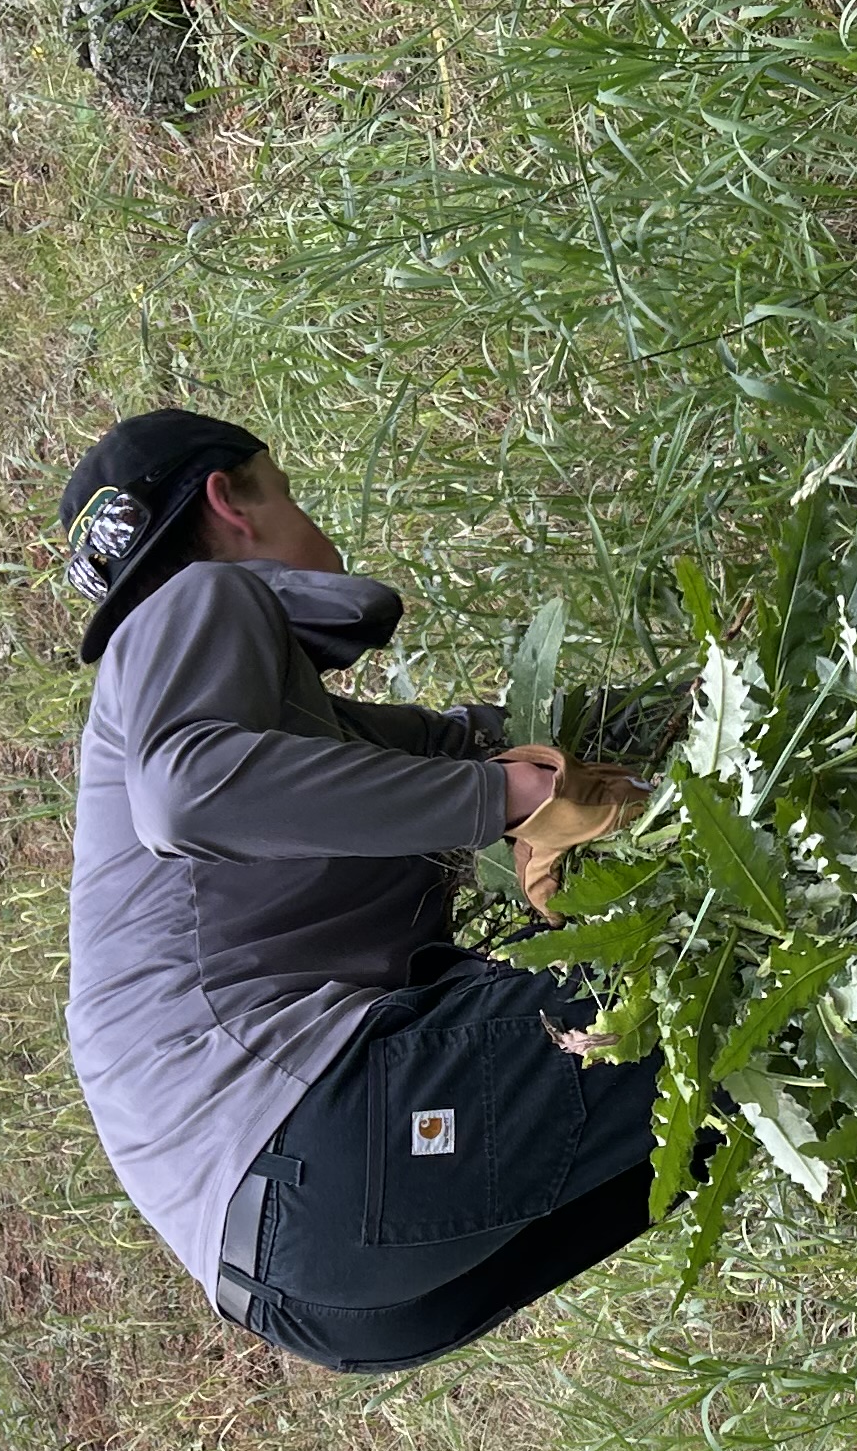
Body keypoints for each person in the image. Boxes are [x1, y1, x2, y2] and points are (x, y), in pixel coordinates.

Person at [56, 408, 656, 1372]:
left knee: (738, 1089)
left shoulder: (316, 742)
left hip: (320, 1293)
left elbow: (507, 738)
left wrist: (715, 708)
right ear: (230, 500)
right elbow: (185, 795)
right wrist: (505, 796)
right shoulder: (198, 599)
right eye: (284, 487)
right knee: (741, 974)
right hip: (318, 1140)